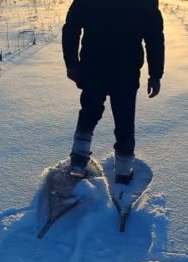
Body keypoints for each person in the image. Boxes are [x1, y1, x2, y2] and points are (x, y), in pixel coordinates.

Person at [62, 0, 165, 184]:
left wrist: (72, 63)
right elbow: (155, 37)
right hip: (115, 70)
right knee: (120, 119)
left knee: (92, 114)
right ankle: (121, 172)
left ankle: (80, 161)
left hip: (103, 68)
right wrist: (155, 75)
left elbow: (154, 36)